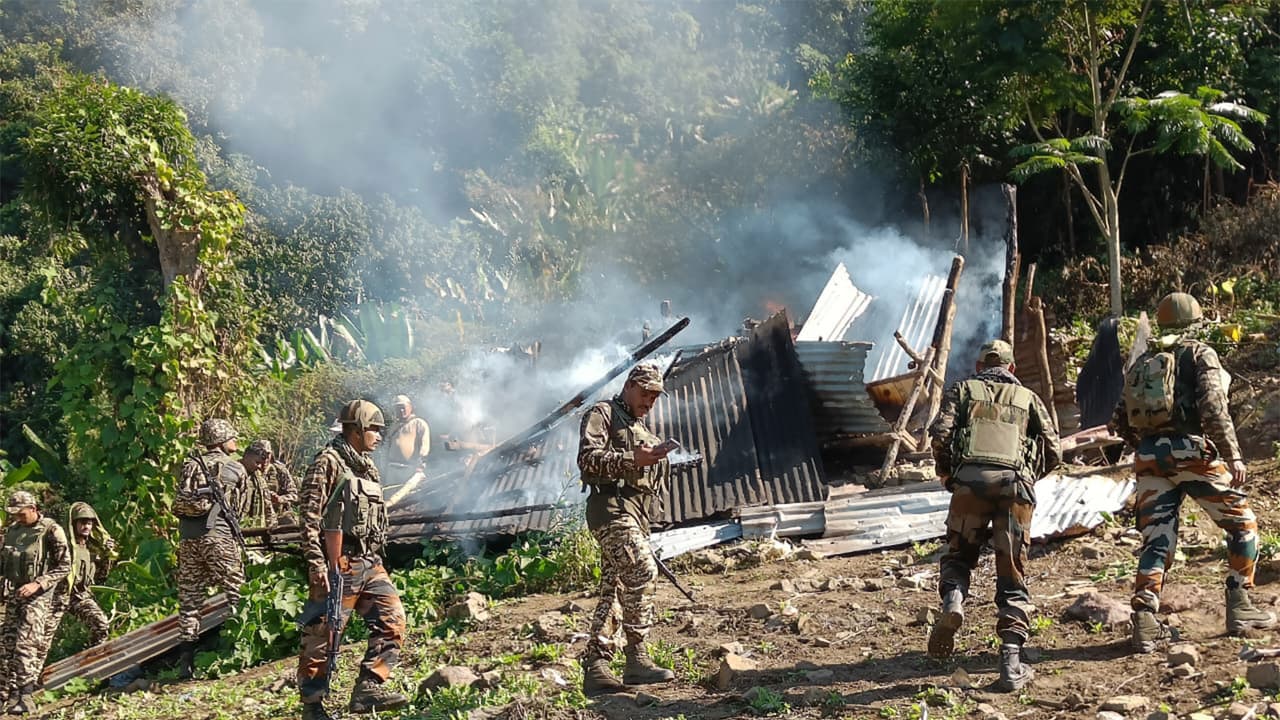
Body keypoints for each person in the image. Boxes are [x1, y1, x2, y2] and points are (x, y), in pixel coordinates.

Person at [1111, 292, 1275, 652]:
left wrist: (1146, 444)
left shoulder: (1144, 360)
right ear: (1196, 322)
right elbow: (1214, 407)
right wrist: (1233, 455)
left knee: (1156, 539)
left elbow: (1118, 419)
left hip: (1149, 457)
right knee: (1242, 523)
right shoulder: (1199, 353)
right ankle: (1241, 603)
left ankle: (1145, 621)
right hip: (1191, 451)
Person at [926, 340, 1062, 692]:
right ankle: (1010, 664)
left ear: (979, 366)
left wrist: (950, 474)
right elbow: (1054, 449)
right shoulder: (1029, 398)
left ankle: (953, 601)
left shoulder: (962, 390)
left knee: (959, 555)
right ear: (1011, 368)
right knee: (1011, 573)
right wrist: (1029, 477)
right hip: (1016, 487)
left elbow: (940, 435)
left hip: (970, 484)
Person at [296, 400, 408, 719]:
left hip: (367, 560)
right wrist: (317, 563)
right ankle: (312, 706)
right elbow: (309, 516)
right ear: (356, 429)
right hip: (337, 561)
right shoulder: (327, 462)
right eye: (373, 429)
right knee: (323, 634)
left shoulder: (367, 466)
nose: (378, 435)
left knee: (393, 618)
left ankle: (369, 686)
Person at [577, 363, 677, 695]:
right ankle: (636, 657)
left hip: (635, 515)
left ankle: (597, 666)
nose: (650, 401)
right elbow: (587, 459)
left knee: (614, 590)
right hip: (610, 510)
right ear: (630, 386)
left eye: (655, 396)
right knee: (642, 571)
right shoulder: (603, 413)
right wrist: (632, 460)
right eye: (645, 393)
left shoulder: (641, 428)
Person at [173, 418, 247, 678]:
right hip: (218, 537)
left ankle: (186, 666)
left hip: (188, 539)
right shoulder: (235, 468)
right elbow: (240, 509)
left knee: (190, 600)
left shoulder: (189, 465)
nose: (236, 442)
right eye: (232, 438)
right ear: (222, 441)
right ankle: (241, 652)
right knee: (237, 589)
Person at [0, 490, 71, 715]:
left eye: (21, 514)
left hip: (38, 595)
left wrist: (38, 584)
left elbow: (64, 565)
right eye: (14, 515)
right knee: (6, 647)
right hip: (14, 595)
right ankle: (6, 696)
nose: (17, 518)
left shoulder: (51, 530)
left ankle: (26, 696)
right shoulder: (12, 531)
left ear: (33, 509)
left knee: (26, 645)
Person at [35, 502, 116, 665]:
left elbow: (101, 577)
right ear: (74, 524)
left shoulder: (93, 548)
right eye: (82, 522)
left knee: (101, 624)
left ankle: (94, 663)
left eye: (89, 522)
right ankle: (32, 676)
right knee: (42, 640)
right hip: (57, 597)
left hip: (79, 596)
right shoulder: (62, 545)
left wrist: (107, 556)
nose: (86, 526)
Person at [380, 394, 430, 493]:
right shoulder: (394, 426)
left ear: (410, 407)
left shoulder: (419, 423)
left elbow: (425, 447)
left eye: (403, 407)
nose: (401, 411)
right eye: (398, 408)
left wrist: (420, 466)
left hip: (409, 470)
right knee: (390, 497)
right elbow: (386, 447)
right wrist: (383, 468)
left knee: (408, 499)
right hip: (392, 469)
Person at [238, 442, 278, 529]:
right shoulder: (234, 473)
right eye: (257, 462)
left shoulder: (258, 478)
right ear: (247, 457)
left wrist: (272, 526)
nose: (259, 466)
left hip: (253, 528)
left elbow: (267, 505)